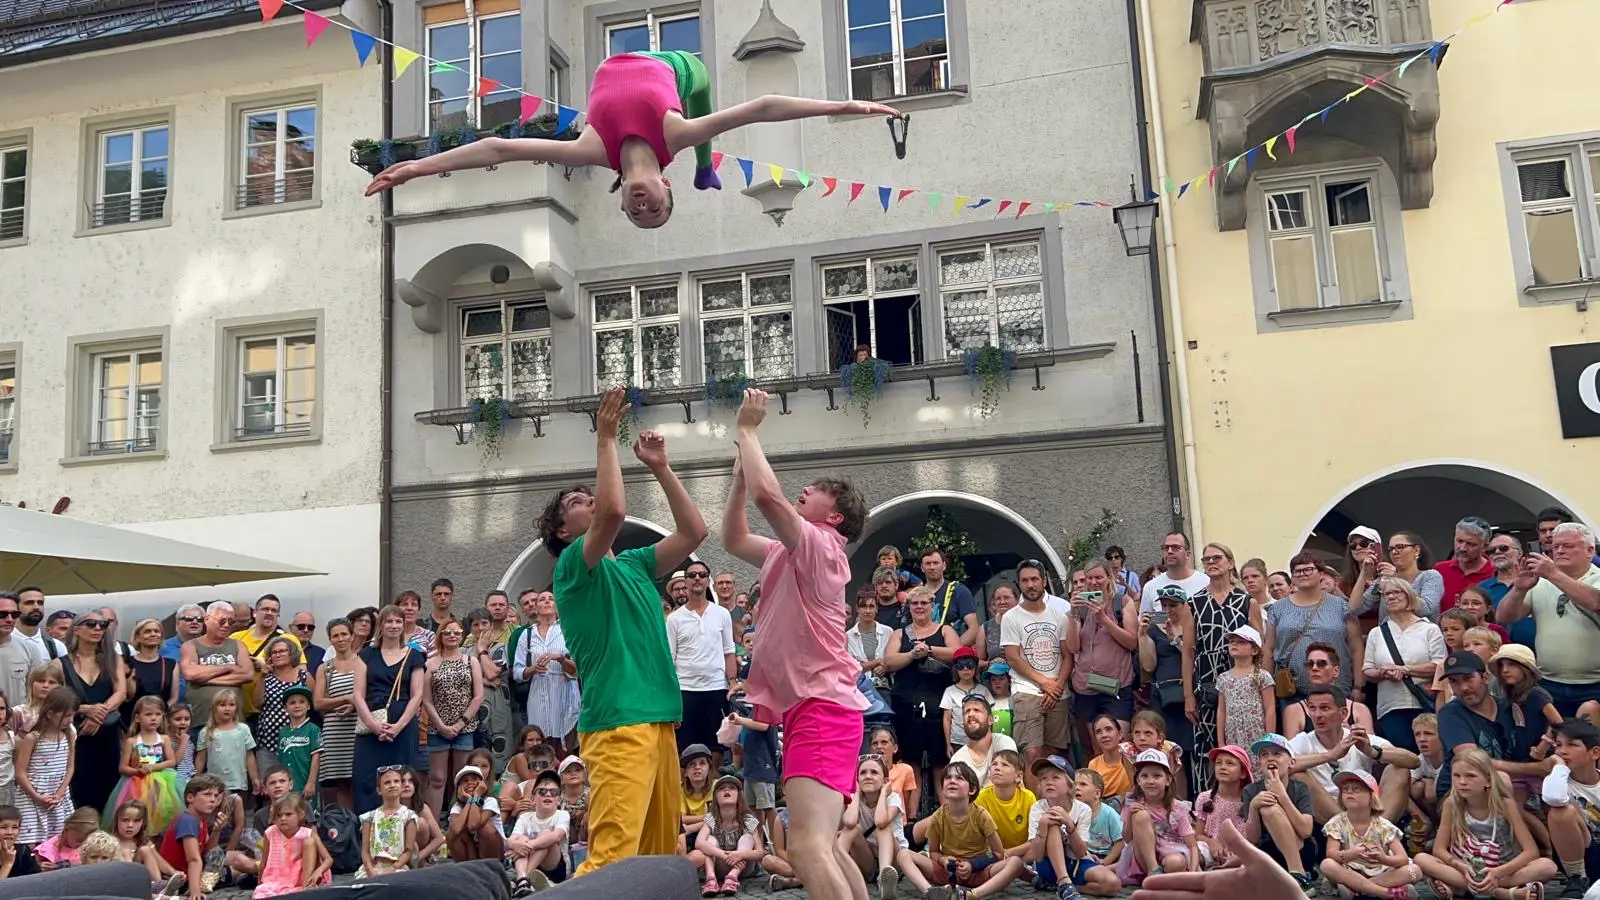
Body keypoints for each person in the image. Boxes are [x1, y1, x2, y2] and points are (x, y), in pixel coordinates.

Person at [364, 51, 899, 229]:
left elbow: (499, 149)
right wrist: (849, 105)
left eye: (636, 215)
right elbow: (763, 107)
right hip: (682, 69)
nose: (645, 209)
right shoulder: (676, 134)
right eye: (657, 211)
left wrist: (415, 168)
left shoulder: (590, 150)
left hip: (618, 72)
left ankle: (706, 168)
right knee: (704, 124)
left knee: (702, 134)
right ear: (665, 186)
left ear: (622, 196)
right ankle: (705, 167)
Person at [538, 388, 707, 873]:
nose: (588, 500)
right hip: (617, 723)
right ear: (563, 532)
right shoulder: (572, 569)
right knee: (612, 859)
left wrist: (660, 467)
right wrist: (606, 437)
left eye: (588, 494)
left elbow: (695, 534)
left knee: (656, 859)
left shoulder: (632, 564)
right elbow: (612, 512)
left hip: (658, 721)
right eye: (575, 501)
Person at [721, 387, 870, 900]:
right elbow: (735, 538)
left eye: (815, 490)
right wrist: (740, 476)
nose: (802, 491)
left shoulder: (823, 545)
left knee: (806, 850)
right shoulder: (790, 550)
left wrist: (748, 430)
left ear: (835, 518)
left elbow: (771, 498)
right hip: (817, 709)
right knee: (822, 847)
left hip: (823, 708)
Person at [1415, 747, 1557, 900]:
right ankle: (1504, 893)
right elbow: (1439, 850)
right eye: (1456, 776)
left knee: (1547, 867)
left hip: (1503, 868)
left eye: (1470, 776)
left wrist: (1498, 873)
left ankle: (1463, 887)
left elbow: (1530, 852)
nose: (1462, 782)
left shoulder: (1505, 804)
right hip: (1466, 867)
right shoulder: (1451, 804)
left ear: (1488, 781)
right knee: (1421, 859)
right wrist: (1458, 865)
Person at [351, 605, 427, 814]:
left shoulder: (415, 655)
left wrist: (398, 726)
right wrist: (374, 726)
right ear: (381, 625)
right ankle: (366, 835)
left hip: (402, 728)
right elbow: (358, 693)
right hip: (371, 727)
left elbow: (417, 694)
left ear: (404, 625)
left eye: (398, 621)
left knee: (401, 781)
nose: (394, 626)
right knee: (366, 780)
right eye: (389, 621)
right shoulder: (366, 654)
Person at [1316, 769, 1419, 898]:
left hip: (1383, 871)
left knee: (1414, 871)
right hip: (1350, 871)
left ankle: (1357, 890)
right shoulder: (1336, 823)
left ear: (1372, 796)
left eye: (1356, 789)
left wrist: (1383, 858)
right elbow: (1331, 853)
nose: (1349, 792)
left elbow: (1402, 859)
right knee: (1327, 865)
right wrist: (1350, 854)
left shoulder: (1384, 825)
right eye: (1345, 789)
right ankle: (1387, 893)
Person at [105, 695, 181, 835]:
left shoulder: (164, 739)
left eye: (158, 714)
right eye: (148, 714)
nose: (154, 718)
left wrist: (153, 767)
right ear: (138, 718)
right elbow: (122, 768)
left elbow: (172, 761)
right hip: (136, 784)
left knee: (160, 813)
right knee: (139, 812)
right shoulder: (132, 741)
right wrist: (137, 771)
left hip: (162, 784)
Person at [16, 685, 77, 845]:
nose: (70, 720)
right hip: (32, 796)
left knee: (57, 839)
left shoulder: (69, 734)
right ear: (50, 713)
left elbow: (70, 767)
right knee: (31, 841)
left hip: (58, 796)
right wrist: (37, 796)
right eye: (66, 716)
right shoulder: (33, 738)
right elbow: (20, 773)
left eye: (72, 715)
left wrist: (60, 793)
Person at [160, 774, 225, 900]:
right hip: (179, 879)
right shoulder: (187, 820)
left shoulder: (201, 819)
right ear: (190, 797)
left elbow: (208, 853)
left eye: (216, 796)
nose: (213, 800)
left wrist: (217, 831)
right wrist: (195, 892)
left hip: (192, 874)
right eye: (207, 794)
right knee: (236, 864)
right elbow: (193, 859)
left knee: (234, 859)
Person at [253, 794, 331, 898]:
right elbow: (264, 862)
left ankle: (306, 887)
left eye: (288, 814)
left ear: (300, 815)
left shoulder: (308, 832)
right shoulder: (270, 833)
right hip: (278, 876)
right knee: (262, 893)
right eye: (279, 815)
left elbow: (328, 860)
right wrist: (260, 883)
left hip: (303, 873)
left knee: (309, 842)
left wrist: (318, 871)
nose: (283, 818)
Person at [507, 769, 570, 895]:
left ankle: (521, 879)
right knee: (520, 839)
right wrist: (517, 844)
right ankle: (523, 880)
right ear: (533, 799)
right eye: (542, 791)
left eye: (553, 792)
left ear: (558, 800)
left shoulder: (562, 814)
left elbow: (557, 836)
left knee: (546, 835)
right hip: (528, 862)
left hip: (554, 868)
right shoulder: (525, 817)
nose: (548, 795)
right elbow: (510, 840)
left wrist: (528, 845)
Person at [356, 767, 415, 877]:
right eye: (387, 783)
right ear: (379, 790)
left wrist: (393, 869)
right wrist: (370, 870)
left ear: (402, 786)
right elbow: (365, 851)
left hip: (397, 868)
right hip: (372, 868)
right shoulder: (369, 817)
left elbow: (408, 851)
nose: (392, 785)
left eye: (396, 781)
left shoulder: (409, 816)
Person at [447, 764, 504, 861]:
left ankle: (490, 869)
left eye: (474, 779)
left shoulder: (489, 801)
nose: (470, 782)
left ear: (482, 784)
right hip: (472, 853)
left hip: (494, 853)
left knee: (485, 828)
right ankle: (467, 870)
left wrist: (476, 795)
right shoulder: (457, 807)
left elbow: (473, 825)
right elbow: (455, 830)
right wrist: (470, 801)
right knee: (453, 833)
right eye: (465, 781)